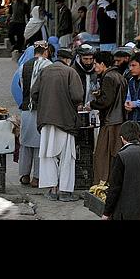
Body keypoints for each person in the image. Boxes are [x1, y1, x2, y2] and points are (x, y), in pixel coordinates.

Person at [31, 48, 84, 201]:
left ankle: (52, 190)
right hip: (65, 120)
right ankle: (65, 191)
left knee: (48, 155)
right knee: (67, 157)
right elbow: (77, 96)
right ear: (69, 60)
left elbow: (34, 94)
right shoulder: (70, 72)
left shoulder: (45, 71)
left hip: (46, 120)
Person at [101, 121, 140, 220]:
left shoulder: (121, 156)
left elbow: (115, 188)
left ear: (122, 138)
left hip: (123, 214)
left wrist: (106, 213)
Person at [18, 41, 53, 187]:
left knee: (25, 144)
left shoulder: (23, 66)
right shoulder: (48, 65)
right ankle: (37, 178)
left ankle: (24, 175)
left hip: (26, 108)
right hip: (42, 109)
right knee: (40, 144)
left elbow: (21, 85)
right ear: (46, 52)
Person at [90, 51, 127, 184]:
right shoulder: (119, 76)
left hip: (111, 121)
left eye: (96, 64)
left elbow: (106, 100)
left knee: (103, 155)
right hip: (119, 120)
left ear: (102, 64)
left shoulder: (109, 77)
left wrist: (92, 104)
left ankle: (102, 184)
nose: (94, 67)